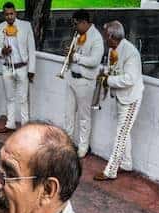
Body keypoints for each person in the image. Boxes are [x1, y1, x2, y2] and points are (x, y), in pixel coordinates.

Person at [94, 21, 145, 182]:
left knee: (121, 134)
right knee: (124, 131)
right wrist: (105, 74)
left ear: (111, 36)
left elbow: (130, 79)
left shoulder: (131, 52)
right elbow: (112, 68)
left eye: (105, 35)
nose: (104, 38)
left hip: (131, 98)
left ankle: (110, 171)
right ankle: (127, 163)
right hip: (121, 96)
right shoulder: (112, 50)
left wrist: (108, 80)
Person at [0, 2, 36, 134]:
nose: (9, 16)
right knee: (9, 98)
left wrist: (31, 70)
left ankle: (25, 126)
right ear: (4, 14)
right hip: (7, 67)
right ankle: (10, 124)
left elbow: (31, 49)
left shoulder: (25, 26)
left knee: (23, 98)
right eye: (7, 14)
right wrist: (1, 51)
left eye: (11, 13)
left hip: (22, 67)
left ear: (15, 13)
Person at [64, 9, 104, 159]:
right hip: (71, 78)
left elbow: (94, 61)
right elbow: (73, 56)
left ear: (84, 22)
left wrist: (75, 57)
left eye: (76, 24)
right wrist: (69, 56)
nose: (74, 27)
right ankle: (67, 144)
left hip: (85, 82)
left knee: (84, 117)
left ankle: (82, 147)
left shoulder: (96, 38)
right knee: (68, 114)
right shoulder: (78, 35)